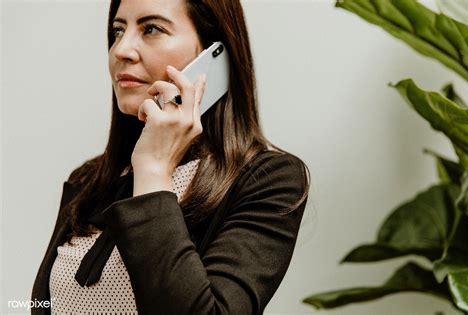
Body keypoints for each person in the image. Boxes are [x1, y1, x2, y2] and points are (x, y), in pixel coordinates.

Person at [31, 0, 310, 314]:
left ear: (213, 53)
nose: (122, 49)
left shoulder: (268, 180)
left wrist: (153, 170)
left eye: (151, 28)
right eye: (118, 30)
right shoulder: (88, 179)